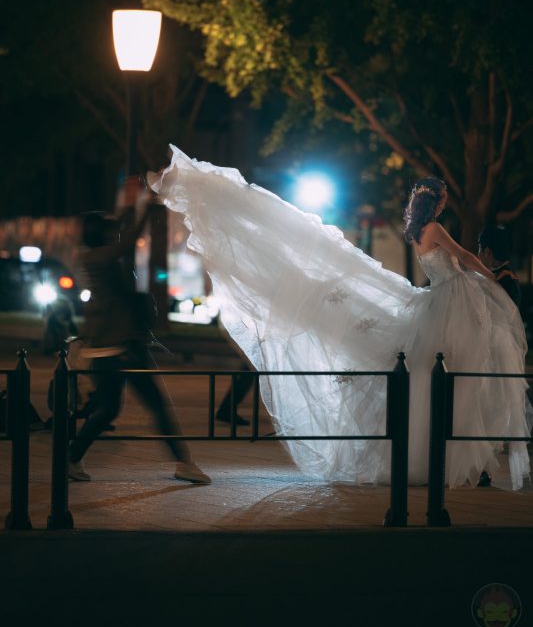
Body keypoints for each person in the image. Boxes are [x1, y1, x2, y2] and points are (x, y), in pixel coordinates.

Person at [149, 147, 530, 490]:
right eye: (443, 200)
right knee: (457, 371)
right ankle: (455, 455)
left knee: (430, 375)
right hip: (451, 298)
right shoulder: (435, 229)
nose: (445, 206)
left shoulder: (416, 233)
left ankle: (440, 455)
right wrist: (489, 276)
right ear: (435, 202)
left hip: (439, 298)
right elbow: (463, 255)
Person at [68, 177, 210, 485]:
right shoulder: (99, 258)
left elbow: (121, 230)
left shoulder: (96, 255)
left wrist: (132, 205)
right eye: (108, 229)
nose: (113, 230)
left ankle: (72, 457)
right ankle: (184, 463)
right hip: (122, 348)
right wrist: (143, 208)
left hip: (108, 349)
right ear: (101, 234)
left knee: (107, 411)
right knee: (156, 405)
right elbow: (128, 238)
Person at [479, 224, 521, 307]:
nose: (478, 254)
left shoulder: (506, 281)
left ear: (487, 251)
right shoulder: (509, 276)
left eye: (479, 248)